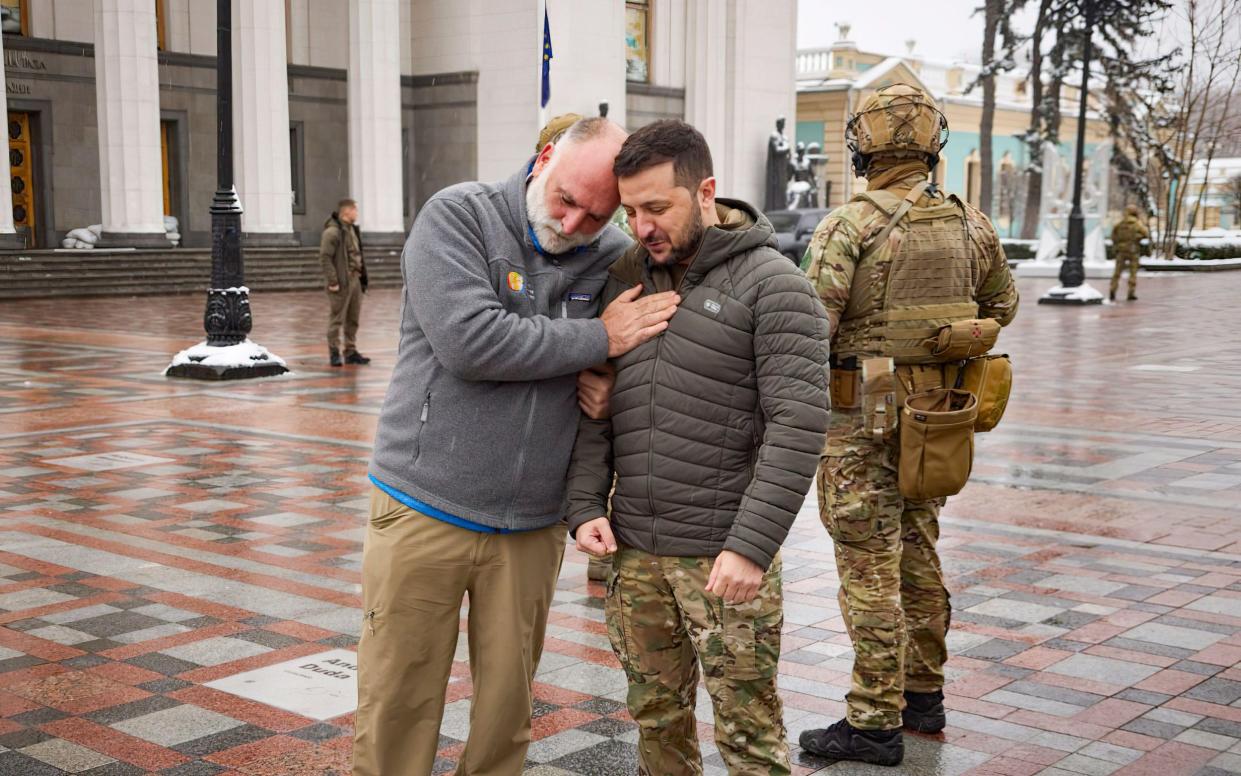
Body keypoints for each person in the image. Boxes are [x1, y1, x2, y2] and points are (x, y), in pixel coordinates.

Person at [354, 117, 680, 776]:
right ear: (545, 156)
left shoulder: (612, 255)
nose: (574, 221)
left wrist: (610, 388)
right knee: (397, 702)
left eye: (596, 214)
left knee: (505, 714)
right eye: (566, 198)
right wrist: (597, 342)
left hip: (532, 523)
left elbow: (646, 353)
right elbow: (471, 342)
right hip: (422, 505)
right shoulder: (459, 216)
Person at [566, 119, 830, 775]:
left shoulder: (774, 286)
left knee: (748, 739)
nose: (642, 225)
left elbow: (797, 424)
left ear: (704, 190)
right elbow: (595, 398)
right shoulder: (625, 276)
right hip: (634, 558)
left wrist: (749, 547)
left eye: (657, 207)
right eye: (630, 211)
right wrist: (583, 504)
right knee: (656, 724)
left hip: (722, 562)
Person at [799, 84, 1019, 766]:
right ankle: (923, 693)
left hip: (859, 426)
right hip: (934, 421)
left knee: (868, 567)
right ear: (931, 143)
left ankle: (872, 722)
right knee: (920, 551)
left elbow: (811, 329)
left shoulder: (847, 226)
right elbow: (1002, 305)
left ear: (861, 144)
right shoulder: (968, 223)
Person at [319, 199, 370, 367]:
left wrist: (362, 279)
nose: (357, 213)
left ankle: (350, 351)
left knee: (353, 318)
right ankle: (334, 352)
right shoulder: (332, 232)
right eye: (355, 210)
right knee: (337, 318)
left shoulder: (351, 230)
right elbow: (325, 258)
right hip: (341, 282)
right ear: (346, 212)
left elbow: (357, 255)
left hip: (355, 280)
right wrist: (333, 281)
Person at [1109, 204, 1149, 302]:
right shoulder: (1137, 224)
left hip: (1121, 251)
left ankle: (1112, 290)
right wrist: (1137, 237)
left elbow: (1113, 237)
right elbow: (1146, 233)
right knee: (1133, 273)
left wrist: (1118, 244)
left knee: (1117, 272)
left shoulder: (1119, 224)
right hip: (1133, 250)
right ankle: (1131, 292)